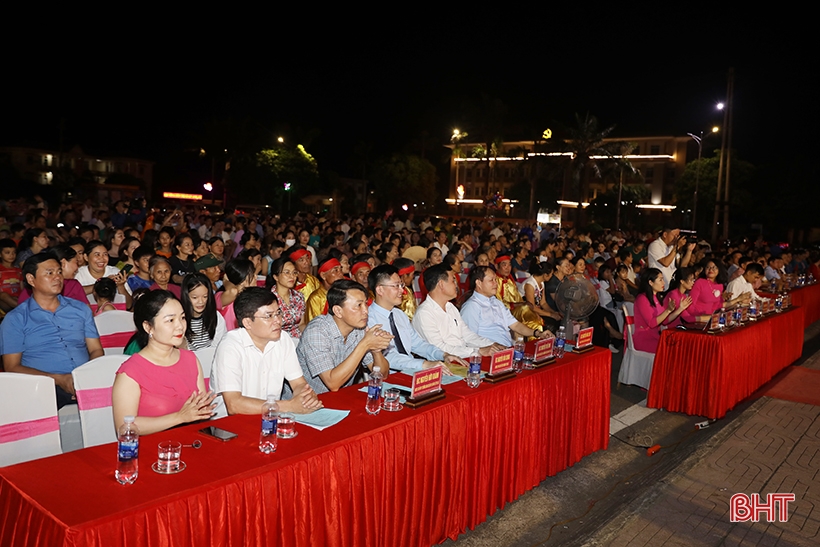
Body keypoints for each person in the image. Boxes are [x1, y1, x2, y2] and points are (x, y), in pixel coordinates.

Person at [0, 253, 103, 408]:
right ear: (31, 279)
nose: (57, 277)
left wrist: (87, 376)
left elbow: (96, 350)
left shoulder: (80, 309)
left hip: (84, 380)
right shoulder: (16, 319)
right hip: (42, 385)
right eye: (49, 273)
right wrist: (59, 379)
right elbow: (12, 367)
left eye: (59, 272)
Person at [112, 290, 215, 435]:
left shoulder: (190, 359)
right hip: (153, 450)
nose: (180, 326)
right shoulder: (130, 372)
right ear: (148, 327)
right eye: (170, 320)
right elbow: (124, 427)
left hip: (192, 443)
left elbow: (199, 411)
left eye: (183, 318)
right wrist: (179, 417)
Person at [210, 287, 322, 417]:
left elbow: (298, 383)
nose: (278, 321)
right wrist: (290, 405)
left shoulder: (283, 339)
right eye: (269, 316)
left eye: (278, 313)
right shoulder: (230, 346)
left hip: (270, 417)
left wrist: (305, 397)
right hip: (230, 425)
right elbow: (234, 405)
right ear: (247, 323)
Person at [296, 279, 392, 394]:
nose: (366, 310)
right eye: (358, 305)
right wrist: (365, 344)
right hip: (307, 402)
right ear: (338, 311)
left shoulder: (359, 329)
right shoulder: (316, 331)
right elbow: (332, 383)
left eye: (366, 303)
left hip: (341, 398)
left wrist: (376, 350)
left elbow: (383, 375)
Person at [367, 264, 465, 372]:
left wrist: (443, 355)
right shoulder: (368, 320)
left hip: (411, 370)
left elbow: (418, 344)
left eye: (402, 285)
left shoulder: (399, 315)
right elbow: (388, 357)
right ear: (380, 290)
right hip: (388, 376)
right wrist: (424, 364)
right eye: (396, 286)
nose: (402, 291)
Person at [412, 264, 505, 358]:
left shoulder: (450, 307)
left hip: (462, 356)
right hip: (442, 364)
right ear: (441, 284)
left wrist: (492, 345)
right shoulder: (424, 313)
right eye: (453, 280)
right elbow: (439, 349)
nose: (457, 285)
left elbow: (467, 335)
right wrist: (477, 351)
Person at [461, 266, 550, 347]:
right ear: (479, 283)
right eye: (491, 280)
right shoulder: (471, 307)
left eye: (496, 280)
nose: (496, 284)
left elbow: (515, 325)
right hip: (489, 353)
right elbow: (470, 340)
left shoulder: (496, 303)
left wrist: (537, 333)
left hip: (506, 348)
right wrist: (493, 346)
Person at [633, 268, 691, 354]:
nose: (663, 283)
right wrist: (667, 310)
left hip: (656, 336)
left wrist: (680, 309)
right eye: (660, 280)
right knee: (675, 349)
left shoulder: (655, 298)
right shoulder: (642, 298)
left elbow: (665, 321)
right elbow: (652, 323)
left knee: (683, 345)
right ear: (650, 282)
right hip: (645, 339)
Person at [681, 259, 749, 323]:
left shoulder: (719, 285)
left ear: (719, 270)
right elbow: (690, 305)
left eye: (714, 267)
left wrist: (738, 300)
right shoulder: (699, 283)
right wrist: (700, 317)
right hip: (698, 319)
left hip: (712, 319)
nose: (711, 269)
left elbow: (719, 306)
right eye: (708, 267)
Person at [180, 273, 227, 350]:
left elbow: (220, 344)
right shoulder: (180, 320)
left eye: (205, 296)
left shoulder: (216, 316)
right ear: (186, 296)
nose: (201, 301)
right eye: (195, 297)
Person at [266, 257, 306, 338]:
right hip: (277, 340)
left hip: (298, 339)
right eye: (287, 272)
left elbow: (301, 324)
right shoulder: (267, 299)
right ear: (276, 277)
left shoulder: (298, 296)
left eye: (294, 272)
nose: (292, 276)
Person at [305, 257, 345, 322]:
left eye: (341, 270)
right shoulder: (316, 298)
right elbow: (315, 325)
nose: (341, 274)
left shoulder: (345, 292)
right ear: (323, 275)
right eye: (336, 270)